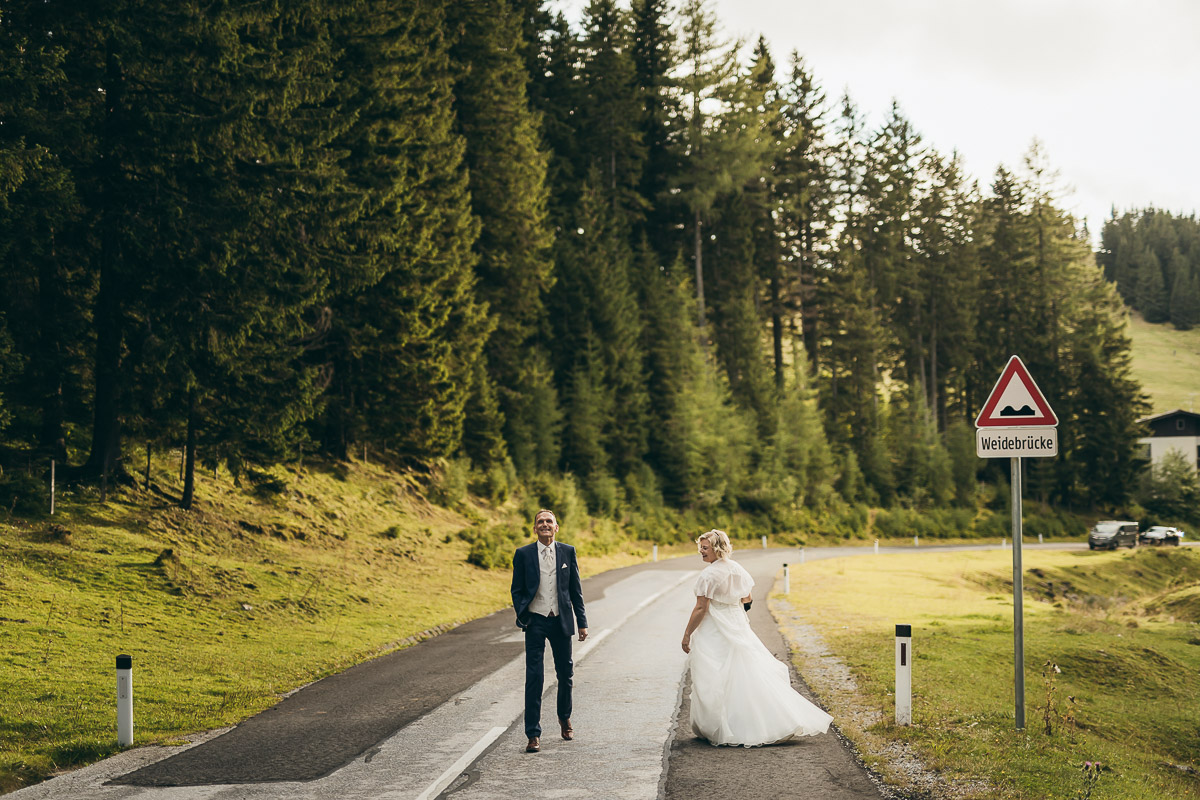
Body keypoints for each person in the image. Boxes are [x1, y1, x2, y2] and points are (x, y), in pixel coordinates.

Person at [681, 529, 832, 746]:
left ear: (716, 549)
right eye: (700, 548)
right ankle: (765, 720)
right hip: (737, 623)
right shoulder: (737, 569)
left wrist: (687, 634)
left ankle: (722, 725)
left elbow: (700, 608)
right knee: (745, 670)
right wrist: (731, 607)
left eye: (705, 548)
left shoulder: (708, 575)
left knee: (716, 674)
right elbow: (747, 598)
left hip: (715, 628)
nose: (701, 552)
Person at [511, 509, 588, 753]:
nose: (544, 524)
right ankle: (533, 734)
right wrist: (523, 615)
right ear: (535, 528)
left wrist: (582, 622)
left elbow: (575, 589)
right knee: (534, 677)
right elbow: (517, 589)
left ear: (556, 527)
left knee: (565, 673)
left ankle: (564, 717)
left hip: (561, 620)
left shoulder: (568, 551)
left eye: (549, 521)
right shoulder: (523, 554)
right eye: (540, 522)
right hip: (535, 620)